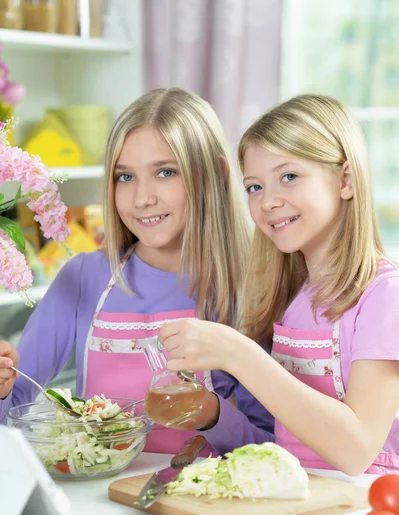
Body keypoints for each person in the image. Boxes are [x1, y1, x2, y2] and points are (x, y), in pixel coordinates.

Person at [0, 87, 274, 456]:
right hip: (100, 503)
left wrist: (212, 415)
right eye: (124, 177)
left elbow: (271, 446)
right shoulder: (82, 279)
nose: (142, 198)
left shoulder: (253, 288)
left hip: (203, 501)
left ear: (215, 174)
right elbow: (12, 412)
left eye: (165, 172)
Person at [159, 94, 399, 475]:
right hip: (297, 503)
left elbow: (357, 451)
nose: (268, 201)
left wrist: (240, 355)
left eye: (289, 177)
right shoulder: (291, 301)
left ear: (346, 180)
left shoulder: (385, 297)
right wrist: (213, 414)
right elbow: (280, 444)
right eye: (254, 187)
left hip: (363, 511)